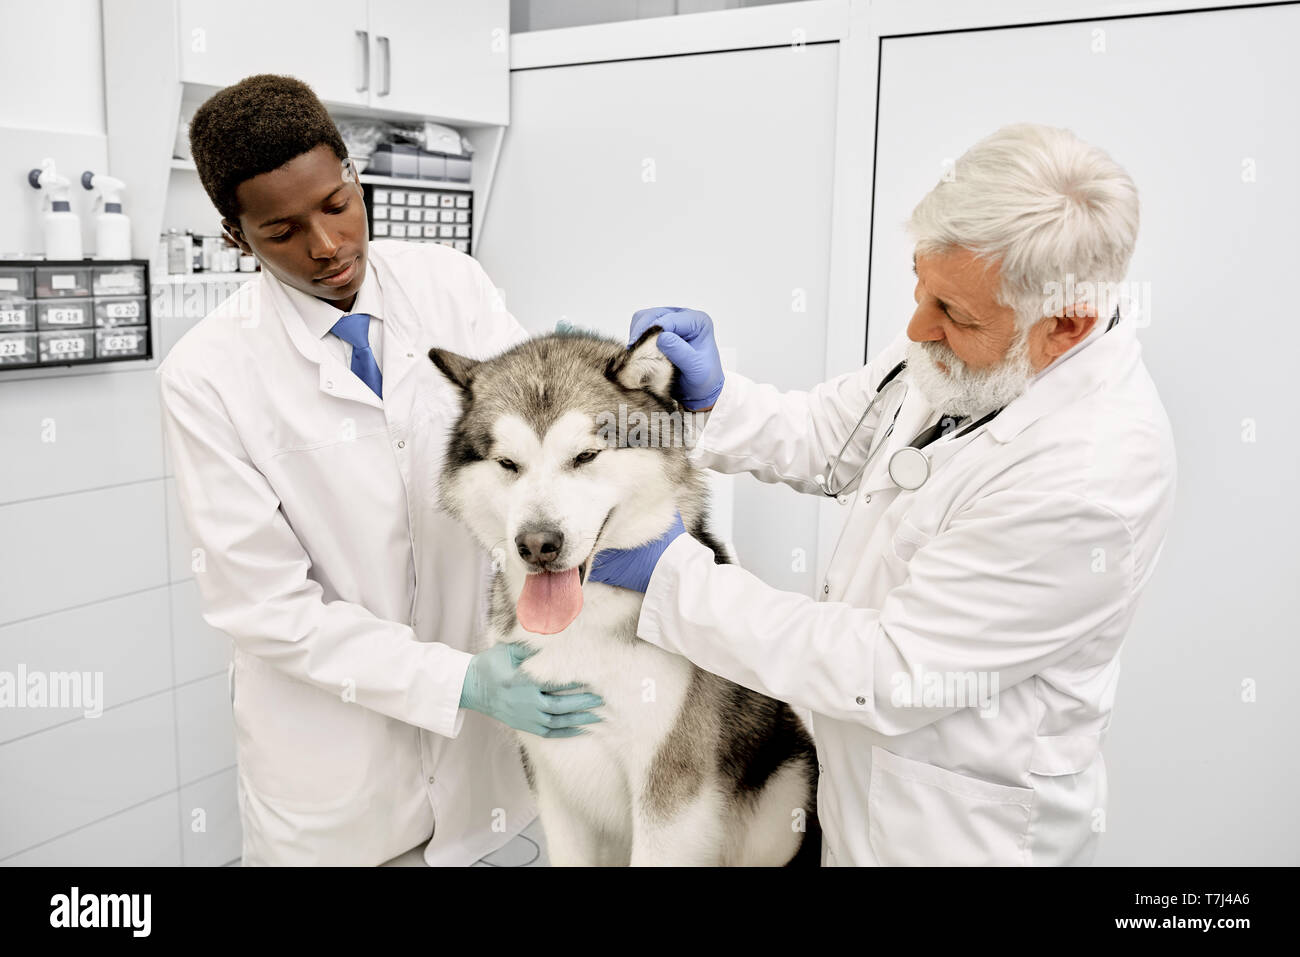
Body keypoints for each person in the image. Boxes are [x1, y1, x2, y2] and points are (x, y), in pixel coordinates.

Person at [596, 123, 1177, 866]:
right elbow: (838, 436)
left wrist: (674, 580)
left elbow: (892, 668)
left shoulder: (1090, 481)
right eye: (919, 283)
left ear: (1064, 325)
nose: (914, 326)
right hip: (854, 794)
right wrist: (717, 401)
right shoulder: (974, 348)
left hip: (951, 836)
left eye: (955, 315)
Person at [158, 74, 601, 866]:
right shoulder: (207, 375)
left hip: (480, 768)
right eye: (282, 230)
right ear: (235, 237)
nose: (327, 246)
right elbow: (263, 605)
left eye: (336, 203)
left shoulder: (451, 284)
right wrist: (456, 681)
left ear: (354, 174)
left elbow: (527, 452)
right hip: (332, 771)